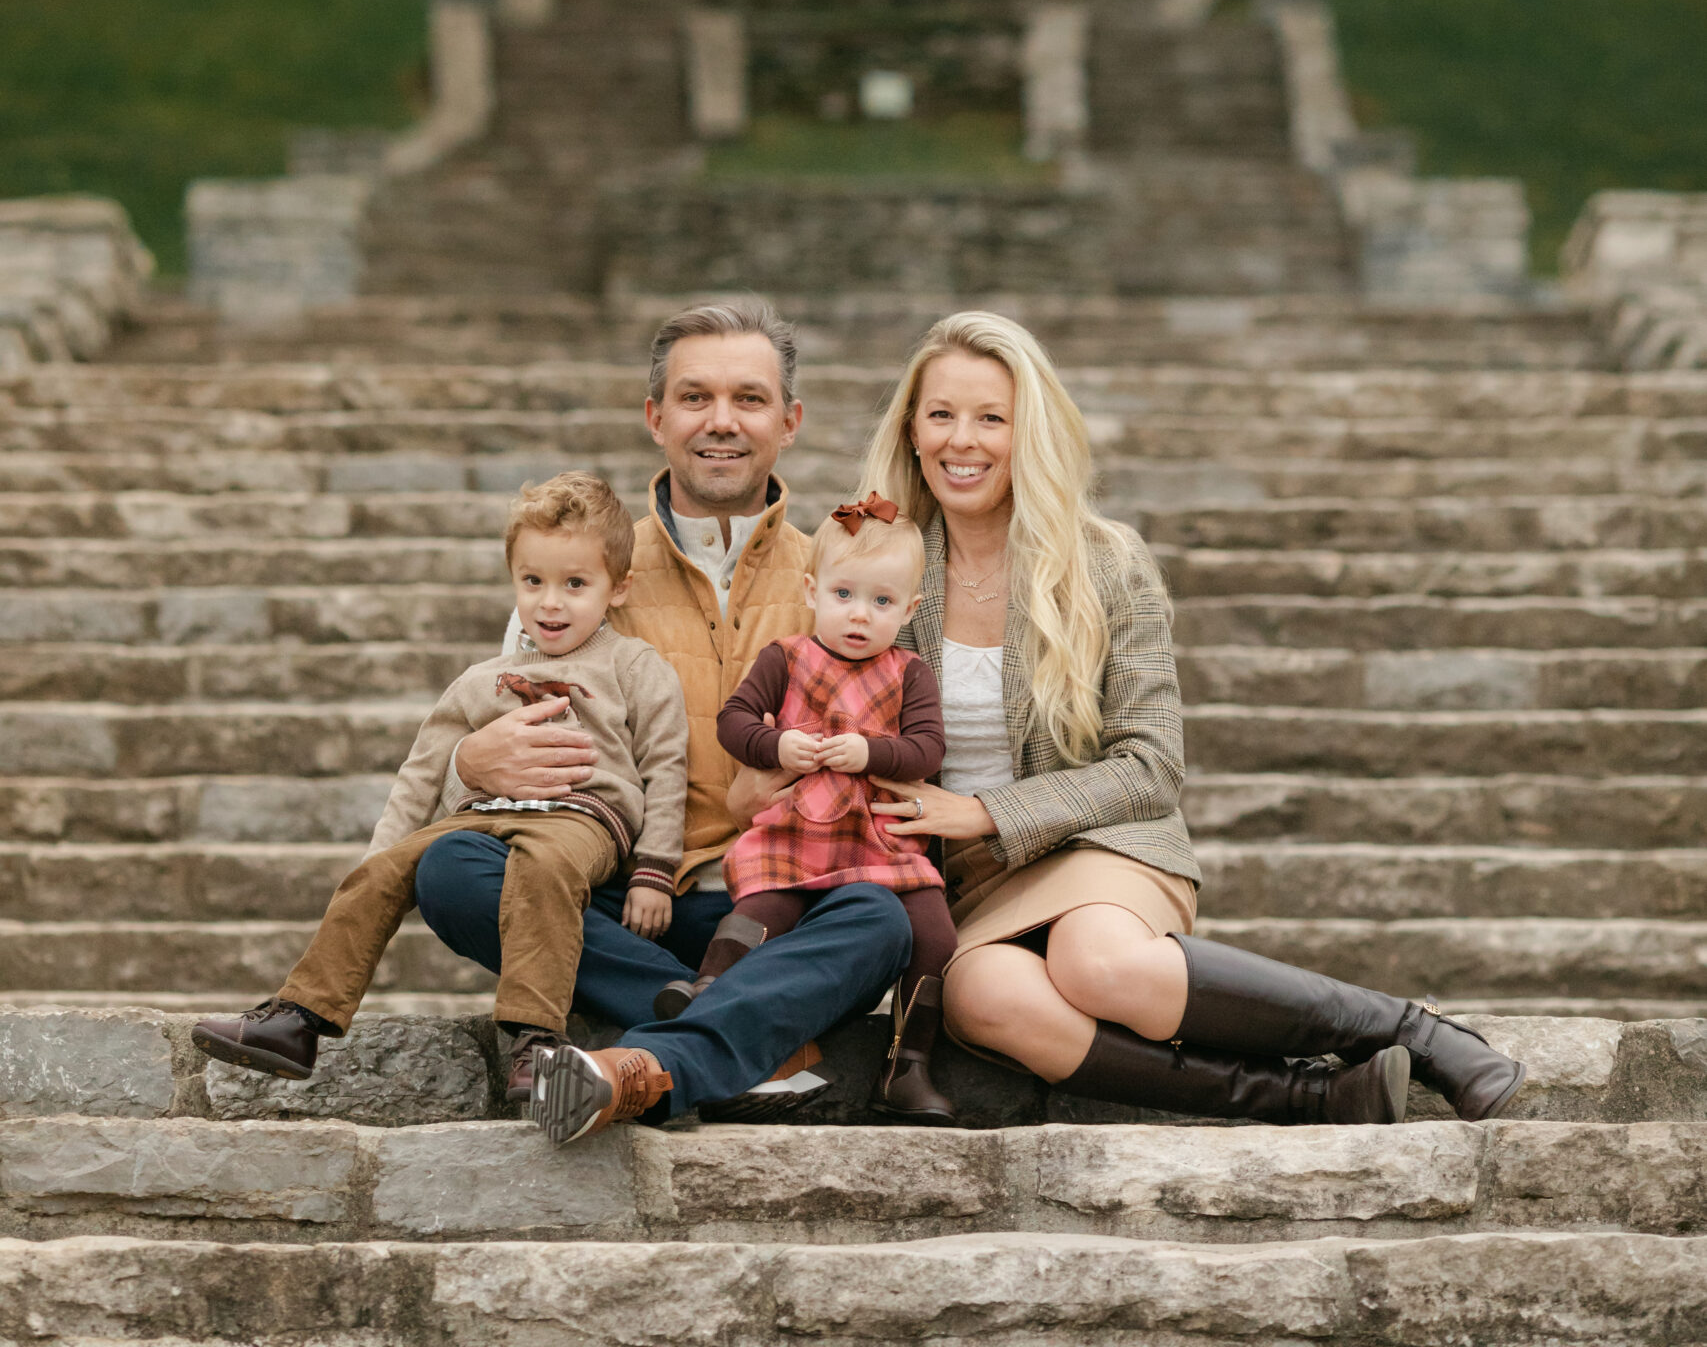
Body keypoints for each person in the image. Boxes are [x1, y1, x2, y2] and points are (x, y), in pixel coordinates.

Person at [855, 309, 1526, 1128]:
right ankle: (1310, 1097)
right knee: (986, 1000)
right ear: (912, 430)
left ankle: (1410, 1031)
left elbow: (1150, 765)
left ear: (1028, 432)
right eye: (942, 414)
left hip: (1100, 846)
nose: (964, 440)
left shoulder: (1104, 561)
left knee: (1096, 964)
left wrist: (989, 812)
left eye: (991, 417)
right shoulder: (872, 568)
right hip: (957, 883)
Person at [413, 297, 913, 1140]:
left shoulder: (841, 578)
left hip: (772, 906)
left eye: (748, 399)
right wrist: (471, 763)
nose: (721, 422)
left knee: (883, 918)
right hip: (612, 898)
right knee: (452, 874)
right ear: (655, 417)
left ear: (788, 422)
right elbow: (500, 755)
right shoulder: (588, 568)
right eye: (695, 398)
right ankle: (747, 1040)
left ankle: (652, 1055)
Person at [190, 474, 687, 1098]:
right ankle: (299, 1018)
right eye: (533, 582)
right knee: (378, 876)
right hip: (482, 812)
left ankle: (537, 1042)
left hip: (581, 818)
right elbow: (422, 772)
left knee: (542, 870)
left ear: (620, 588)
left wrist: (654, 870)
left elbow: (666, 767)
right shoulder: (482, 679)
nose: (550, 603)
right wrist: (383, 856)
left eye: (575, 584)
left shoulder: (635, 666)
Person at [686, 490, 957, 1121]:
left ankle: (907, 1063)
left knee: (935, 931)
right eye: (844, 595)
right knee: (763, 907)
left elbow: (927, 750)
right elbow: (732, 722)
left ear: (910, 609)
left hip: (877, 840)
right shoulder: (785, 658)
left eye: (881, 601)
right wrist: (777, 744)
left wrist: (873, 754)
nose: (859, 615)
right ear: (812, 590)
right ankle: (707, 994)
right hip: (795, 829)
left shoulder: (908, 672)